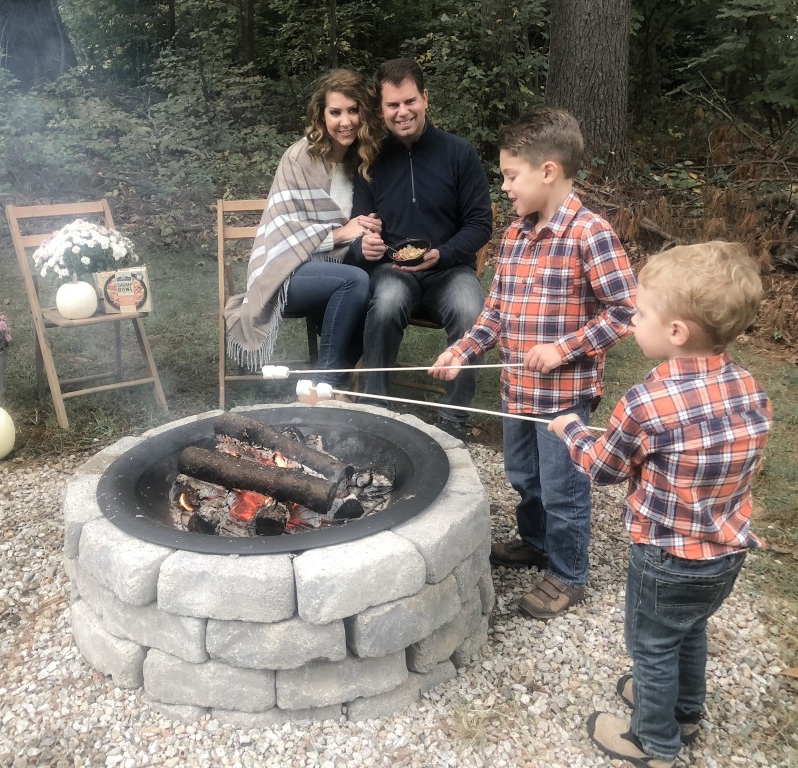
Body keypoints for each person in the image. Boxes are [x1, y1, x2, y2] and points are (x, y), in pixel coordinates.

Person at [548, 242, 772, 768]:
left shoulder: (645, 402)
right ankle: (686, 708)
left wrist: (572, 430)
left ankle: (654, 741)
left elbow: (603, 468)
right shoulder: (748, 389)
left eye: (640, 313)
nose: (630, 322)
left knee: (651, 646)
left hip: (666, 558)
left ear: (677, 332)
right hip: (724, 554)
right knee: (690, 629)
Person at [429, 108, 636, 619]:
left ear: (548, 171)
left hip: (562, 400)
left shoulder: (590, 234)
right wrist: (463, 349)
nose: (504, 187)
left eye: (510, 175)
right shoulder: (518, 235)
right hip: (516, 392)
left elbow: (628, 311)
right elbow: (495, 312)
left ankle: (568, 573)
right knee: (524, 477)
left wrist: (565, 349)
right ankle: (537, 544)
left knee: (563, 489)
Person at [346, 58, 492, 436]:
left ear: (425, 99)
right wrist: (369, 248)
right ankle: (375, 408)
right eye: (392, 105)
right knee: (388, 301)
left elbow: (480, 225)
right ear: (381, 109)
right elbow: (359, 231)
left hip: (449, 267)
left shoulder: (459, 153)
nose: (402, 112)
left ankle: (454, 417)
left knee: (470, 308)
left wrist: (442, 254)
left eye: (409, 101)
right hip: (394, 270)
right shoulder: (371, 160)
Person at [224, 68, 384, 390]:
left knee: (376, 287)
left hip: (333, 269)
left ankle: (343, 380)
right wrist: (341, 234)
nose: (345, 121)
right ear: (321, 114)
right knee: (354, 283)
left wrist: (367, 230)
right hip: (286, 272)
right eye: (335, 112)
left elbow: (360, 224)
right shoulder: (299, 159)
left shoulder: (364, 159)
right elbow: (284, 233)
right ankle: (324, 385)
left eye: (353, 111)